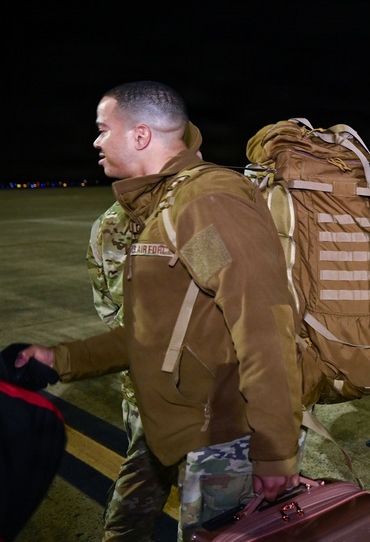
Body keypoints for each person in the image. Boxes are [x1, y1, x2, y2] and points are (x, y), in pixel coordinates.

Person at [15, 81, 303, 538]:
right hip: (181, 429)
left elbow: (263, 327)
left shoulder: (205, 204)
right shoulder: (169, 204)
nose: (95, 141)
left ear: (141, 135)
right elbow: (160, 333)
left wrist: (274, 451)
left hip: (221, 442)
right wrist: (62, 359)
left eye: (102, 129)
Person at [91, 121, 202, 541]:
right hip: (194, 390)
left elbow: (109, 306)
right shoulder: (190, 214)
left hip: (141, 383)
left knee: (143, 473)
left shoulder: (108, 225)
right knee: (209, 504)